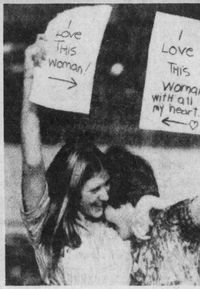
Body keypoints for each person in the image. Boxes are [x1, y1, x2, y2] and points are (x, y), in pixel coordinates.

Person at [21, 35, 132, 285]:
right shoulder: (50, 233)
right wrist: (30, 78)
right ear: (72, 190)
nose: (105, 196)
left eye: (106, 185)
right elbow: (32, 163)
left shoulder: (116, 226)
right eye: (94, 189)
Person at [104, 86, 200, 285]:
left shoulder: (172, 220)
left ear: (124, 201)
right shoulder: (137, 247)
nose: (103, 219)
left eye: (106, 202)